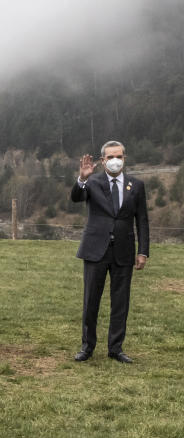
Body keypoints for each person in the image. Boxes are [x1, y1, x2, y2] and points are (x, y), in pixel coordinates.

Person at [71, 140, 149, 364]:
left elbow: (142, 220)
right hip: (96, 249)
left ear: (124, 158)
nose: (115, 160)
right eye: (110, 157)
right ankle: (87, 347)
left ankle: (116, 348)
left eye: (119, 156)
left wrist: (143, 251)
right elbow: (76, 197)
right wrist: (82, 178)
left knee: (121, 301)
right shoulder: (92, 182)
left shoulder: (136, 185)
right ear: (102, 160)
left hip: (124, 251)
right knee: (91, 300)